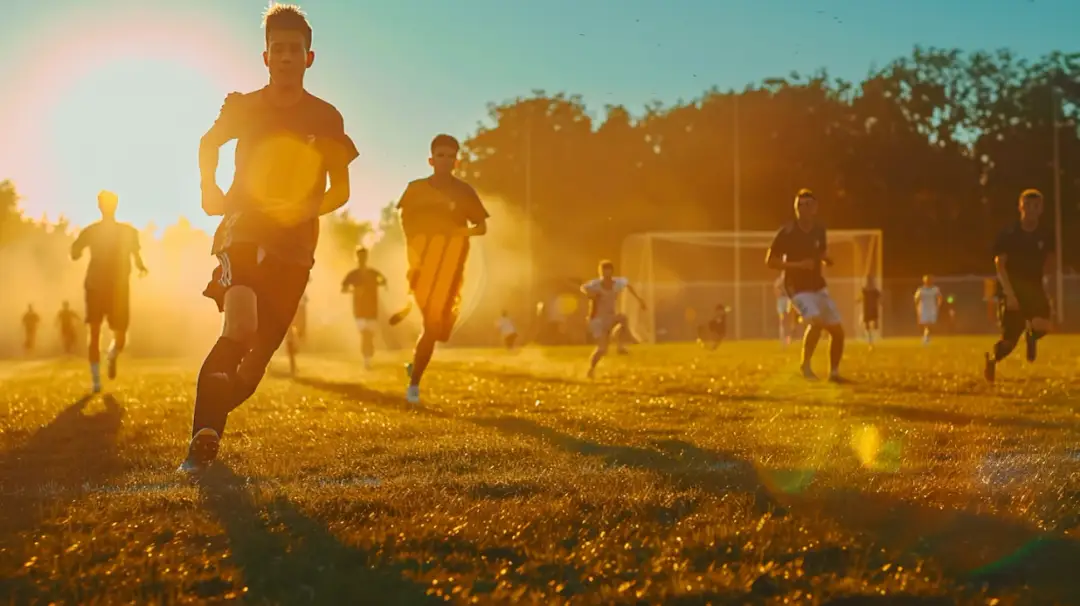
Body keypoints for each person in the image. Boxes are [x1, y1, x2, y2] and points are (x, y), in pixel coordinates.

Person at [180, 3, 359, 474]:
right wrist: (209, 186)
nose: (284, 56)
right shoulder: (244, 105)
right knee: (238, 327)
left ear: (309, 57)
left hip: (296, 245)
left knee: (253, 365)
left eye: (293, 49)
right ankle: (204, 439)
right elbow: (208, 143)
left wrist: (305, 208)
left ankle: (212, 413)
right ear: (265, 57)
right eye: (276, 48)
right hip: (244, 226)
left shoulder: (326, 117)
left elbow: (340, 189)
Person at [398, 134, 489, 404]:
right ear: (431, 159)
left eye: (451, 156)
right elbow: (405, 224)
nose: (445, 161)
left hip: (453, 267)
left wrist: (457, 232)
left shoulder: (465, 192)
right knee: (431, 323)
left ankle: (416, 363)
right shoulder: (414, 189)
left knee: (442, 332)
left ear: (457, 161)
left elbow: (481, 228)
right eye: (441, 155)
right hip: (422, 268)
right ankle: (414, 387)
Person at [765, 188, 846, 382]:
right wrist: (797, 265)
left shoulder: (820, 230)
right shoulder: (787, 232)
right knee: (816, 323)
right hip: (796, 287)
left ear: (815, 208)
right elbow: (770, 261)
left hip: (818, 286)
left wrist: (827, 259)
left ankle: (834, 373)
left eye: (807, 204)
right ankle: (805, 366)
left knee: (838, 332)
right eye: (799, 205)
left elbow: (820, 252)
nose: (803, 208)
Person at [71, 190, 148, 392]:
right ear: (99, 206)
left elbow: (136, 253)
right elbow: (75, 250)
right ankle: (96, 380)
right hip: (95, 286)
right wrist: (75, 251)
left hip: (119, 288)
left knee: (120, 337)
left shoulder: (128, 231)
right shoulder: (91, 231)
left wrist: (141, 266)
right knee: (94, 331)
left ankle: (112, 355)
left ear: (116, 205)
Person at [984, 189, 1054, 382]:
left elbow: (1048, 261)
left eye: (1036, 206)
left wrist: (1047, 286)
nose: (1031, 210)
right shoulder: (1009, 234)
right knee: (1008, 343)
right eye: (1028, 205)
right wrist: (1009, 294)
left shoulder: (1045, 234)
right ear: (1020, 207)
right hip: (1012, 289)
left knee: (1045, 325)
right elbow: (1000, 264)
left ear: (1041, 209)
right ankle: (992, 360)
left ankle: (1031, 337)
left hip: (1034, 288)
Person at [581, 260, 646, 378]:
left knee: (623, 318)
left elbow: (628, 285)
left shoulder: (617, 283)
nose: (606, 275)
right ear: (600, 273)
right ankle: (591, 369)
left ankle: (620, 346)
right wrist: (590, 295)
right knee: (602, 350)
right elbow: (583, 288)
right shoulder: (595, 284)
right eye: (604, 272)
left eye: (608, 272)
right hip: (597, 320)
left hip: (610, 316)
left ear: (611, 272)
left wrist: (639, 299)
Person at [341, 246, 387, 369]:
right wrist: (354, 290)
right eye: (360, 257)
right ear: (356, 258)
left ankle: (368, 355)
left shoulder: (373, 273)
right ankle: (366, 360)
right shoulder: (353, 275)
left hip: (372, 308)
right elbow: (343, 289)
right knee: (364, 334)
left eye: (364, 257)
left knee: (369, 335)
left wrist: (378, 284)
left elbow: (383, 280)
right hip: (359, 309)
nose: (362, 259)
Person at [284, 293, 308, 376]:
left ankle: (293, 363)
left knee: (297, 334)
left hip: (298, 306)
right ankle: (292, 365)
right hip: (290, 306)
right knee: (290, 335)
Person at [914, 275, 942, 345]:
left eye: (929, 280)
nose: (928, 282)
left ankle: (926, 336)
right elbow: (916, 298)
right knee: (925, 324)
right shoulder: (921, 289)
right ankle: (926, 336)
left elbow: (939, 297)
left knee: (930, 324)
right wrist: (917, 307)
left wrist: (938, 305)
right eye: (926, 280)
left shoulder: (935, 289)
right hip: (923, 308)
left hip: (932, 308)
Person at [859, 276, 881, 348]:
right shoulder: (865, 291)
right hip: (867, 309)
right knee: (867, 325)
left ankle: (875, 339)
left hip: (873, 309)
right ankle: (869, 341)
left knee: (875, 323)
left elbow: (880, 297)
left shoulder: (874, 291)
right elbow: (860, 297)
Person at [774, 275, 794, 345]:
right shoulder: (779, 281)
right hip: (781, 301)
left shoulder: (789, 280)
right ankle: (782, 338)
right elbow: (776, 290)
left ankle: (788, 338)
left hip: (787, 300)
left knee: (788, 319)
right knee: (782, 320)